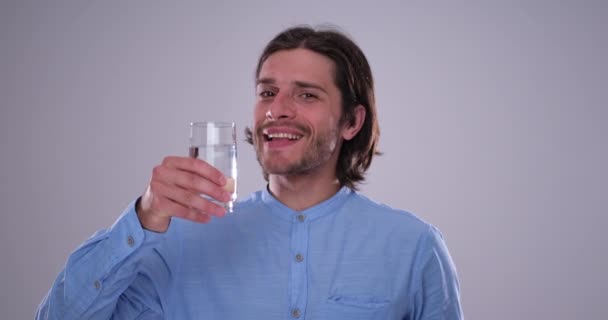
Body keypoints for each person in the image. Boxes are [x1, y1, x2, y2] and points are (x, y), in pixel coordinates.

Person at [37, 26, 463, 319]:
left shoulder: (414, 248)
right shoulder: (180, 241)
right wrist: (143, 218)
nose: (278, 109)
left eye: (307, 94)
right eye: (268, 92)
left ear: (351, 122)